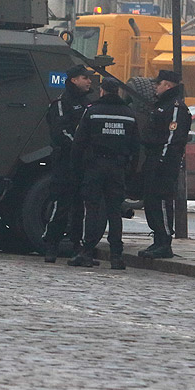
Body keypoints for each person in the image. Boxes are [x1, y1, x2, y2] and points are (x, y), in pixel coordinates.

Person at [68, 77, 139, 269]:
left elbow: (79, 143)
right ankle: (116, 256)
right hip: (117, 168)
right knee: (114, 211)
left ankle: (87, 253)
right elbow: (135, 147)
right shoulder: (129, 114)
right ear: (117, 91)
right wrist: (129, 171)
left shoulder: (92, 112)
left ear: (102, 91)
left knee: (92, 210)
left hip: (95, 166)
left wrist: (77, 168)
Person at [40, 64, 93, 262]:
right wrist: (79, 149)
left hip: (84, 163)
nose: (88, 81)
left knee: (81, 206)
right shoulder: (62, 103)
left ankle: (77, 245)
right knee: (60, 203)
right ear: (73, 80)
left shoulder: (88, 104)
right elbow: (61, 132)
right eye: (84, 77)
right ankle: (51, 245)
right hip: (65, 161)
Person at [139, 69, 192, 258]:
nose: (155, 86)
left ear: (168, 85)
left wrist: (161, 159)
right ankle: (158, 239)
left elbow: (172, 137)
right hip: (154, 159)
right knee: (151, 200)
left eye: (158, 83)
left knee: (161, 200)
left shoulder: (175, 107)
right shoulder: (162, 105)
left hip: (164, 161)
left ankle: (164, 241)